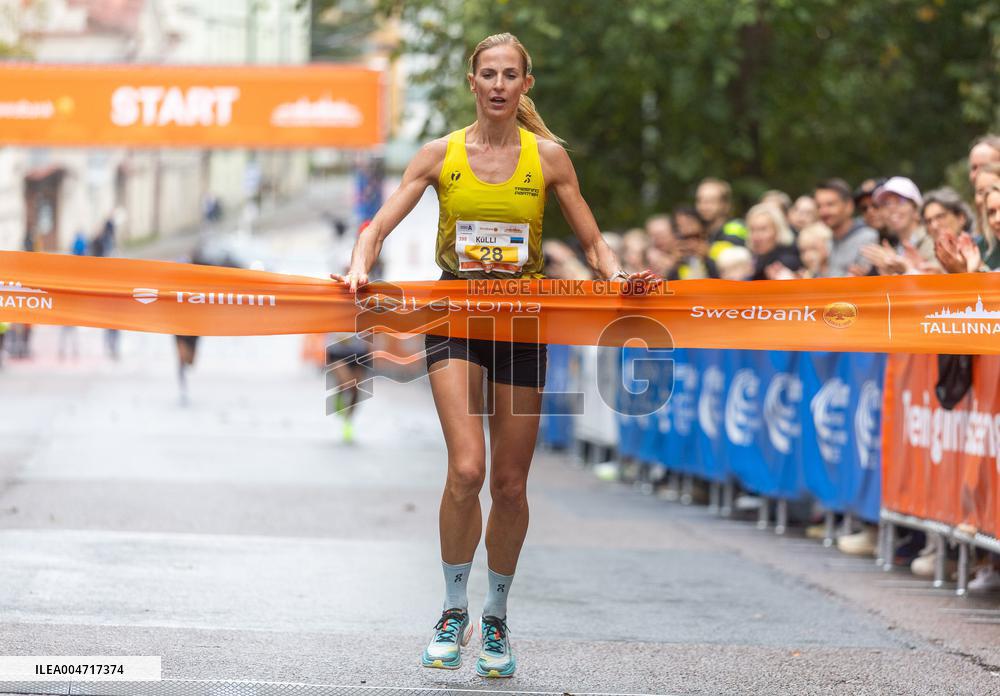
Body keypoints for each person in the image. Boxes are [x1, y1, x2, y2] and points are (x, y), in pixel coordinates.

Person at [330, 32, 655, 679]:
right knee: (467, 469)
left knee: (509, 484)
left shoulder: (549, 159)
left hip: (522, 325)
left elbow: (595, 244)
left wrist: (620, 277)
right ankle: (453, 611)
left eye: (511, 75)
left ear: (525, 85)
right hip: (455, 319)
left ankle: (497, 618)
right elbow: (379, 225)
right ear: (473, 83)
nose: (499, 85)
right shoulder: (440, 154)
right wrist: (361, 263)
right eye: (489, 74)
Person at [813, 178, 878, 277]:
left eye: (830, 204)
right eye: (819, 206)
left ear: (849, 206)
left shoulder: (868, 238)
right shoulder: (826, 243)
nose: (823, 211)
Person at [695, 177, 748, 260]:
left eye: (711, 201)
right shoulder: (703, 233)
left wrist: (708, 252)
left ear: (725, 205)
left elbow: (734, 259)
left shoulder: (735, 228)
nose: (703, 206)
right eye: (700, 200)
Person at [745, 203, 799, 280]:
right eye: (752, 230)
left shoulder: (787, 263)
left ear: (777, 231)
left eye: (762, 229)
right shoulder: (757, 260)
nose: (756, 236)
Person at [667, 206, 717, 280]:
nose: (685, 228)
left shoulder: (717, 247)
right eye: (679, 225)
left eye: (689, 222)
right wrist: (675, 264)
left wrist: (706, 258)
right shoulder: (679, 257)